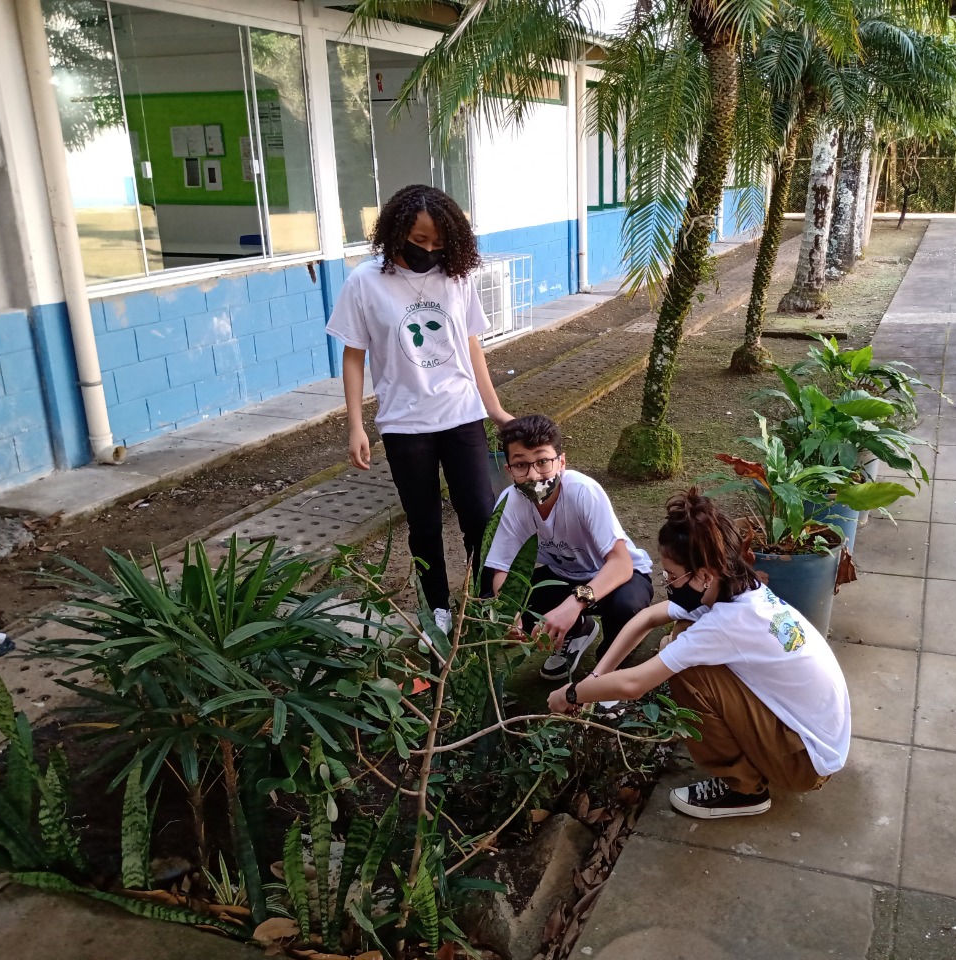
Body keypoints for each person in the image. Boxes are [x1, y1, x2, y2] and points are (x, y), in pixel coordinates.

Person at [545, 489, 851, 819]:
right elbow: (647, 617)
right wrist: (597, 677)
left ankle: (744, 791)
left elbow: (635, 684)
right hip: (817, 741)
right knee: (682, 638)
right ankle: (750, 759)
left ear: (704, 575)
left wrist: (570, 693)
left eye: (672, 576)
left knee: (687, 672)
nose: (667, 584)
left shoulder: (726, 623)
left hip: (805, 763)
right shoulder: (739, 589)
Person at [327, 184, 512, 630]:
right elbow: (353, 357)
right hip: (405, 423)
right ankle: (438, 609)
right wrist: (356, 425)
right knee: (424, 525)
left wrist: (497, 411)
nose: (429, 250)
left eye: (438, 242)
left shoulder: (457, 276)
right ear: (396, 231)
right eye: (419, 240)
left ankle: (487, 603)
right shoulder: (365, 281)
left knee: (480, 518)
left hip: (461, 414)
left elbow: (472, 349)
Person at [485, 414, 654, 680]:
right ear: (509, 470)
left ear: (561, 462)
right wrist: (510, 613)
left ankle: (609, 671)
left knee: (626, 607)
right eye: (521, 465)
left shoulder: (583, 491)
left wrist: (574, 604)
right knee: (493, 605)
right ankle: (577, 631)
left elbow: (621, 564)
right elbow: (502, 569)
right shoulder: (510, 504)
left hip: (619, 576)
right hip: (563, 576)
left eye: (543, 461)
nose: (533, 475)